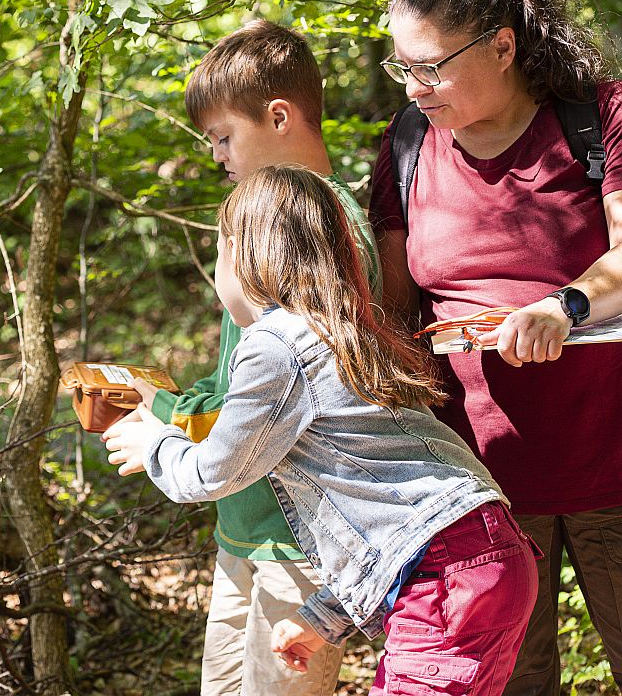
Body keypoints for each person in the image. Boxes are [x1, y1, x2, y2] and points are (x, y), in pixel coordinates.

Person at [104, 165, 538, 696]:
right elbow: (388, 509)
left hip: (445, 574)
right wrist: (324, 618)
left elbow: (211, 473)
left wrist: (154, 441)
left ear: (247, 255)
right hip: (488, 551)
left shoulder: (275, 345)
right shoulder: (351, 331)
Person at [368, 0, 622, 695]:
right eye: (402, 68)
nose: (414, 87)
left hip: (613, 468)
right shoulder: (407, 145)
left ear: (503, 45)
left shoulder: (598, 117)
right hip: (481, 497)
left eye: (430, 65)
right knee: (510, 682)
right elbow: (393, 308)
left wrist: (562, 304)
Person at [128, 19, 382, 696]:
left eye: (222, 136)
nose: (216, 155)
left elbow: (306, 385)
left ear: (278, 117)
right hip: (245, 527)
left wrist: (165, 438)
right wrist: (162, 408)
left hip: (299, 537)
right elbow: (241, 388)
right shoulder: (269, 227)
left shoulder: (323, 227)